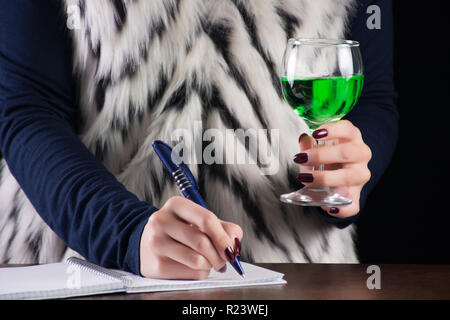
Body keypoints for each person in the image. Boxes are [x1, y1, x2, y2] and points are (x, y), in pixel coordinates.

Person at [0, 0, 398, 279]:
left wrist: (347, 169)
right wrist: (126, 233)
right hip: (82, 266)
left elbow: (374, 98)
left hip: (294, 273)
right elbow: (27, 109)